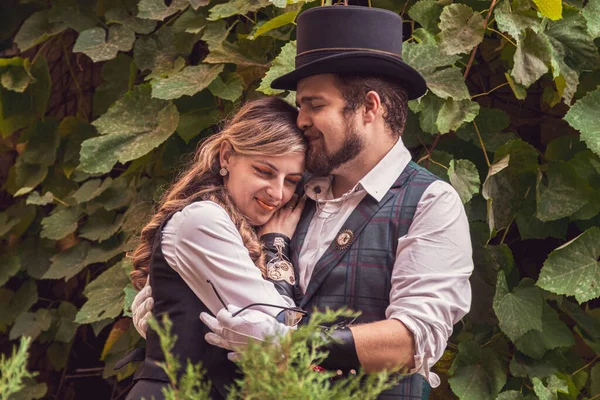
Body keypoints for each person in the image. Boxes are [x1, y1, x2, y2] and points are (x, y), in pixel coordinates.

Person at [132, 5, 474, 399]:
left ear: (369, 107)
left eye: (315, 105)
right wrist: (173, 313)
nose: (300, 120)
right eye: (300, 106)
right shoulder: (288, 188)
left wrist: (291, 344)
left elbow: (414, 340)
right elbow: (210, 275)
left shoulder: (430, 202)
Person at [121, 97, 309, 400]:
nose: (277, 193)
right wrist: (276, 245)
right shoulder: (203, 219)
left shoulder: (230, 224)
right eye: (264, 171)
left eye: (291, 181)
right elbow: (278, 326)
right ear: (226, 157)